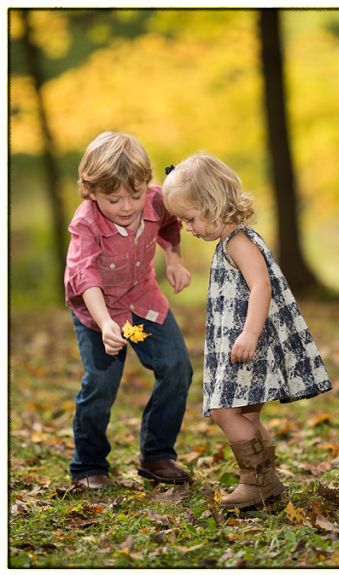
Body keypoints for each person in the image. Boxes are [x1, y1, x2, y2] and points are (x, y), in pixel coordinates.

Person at [162, 153, 332, 508]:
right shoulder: (231, 241)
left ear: (212, 205)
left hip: (250, 343)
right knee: (246, 413)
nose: (188, 228)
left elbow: (261, 286)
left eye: (190, 219)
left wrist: (250, 333)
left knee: (225, 411)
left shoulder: (239, 241)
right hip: (243, 342)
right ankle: (265, 483)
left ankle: (257, 481)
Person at [64, 131, 194, 490]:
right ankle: (89, 466)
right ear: (91, 191)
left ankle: (157, 455)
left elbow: (170, 223)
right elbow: (85, 275)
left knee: (177, 367)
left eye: (134, 195)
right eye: (113, 198)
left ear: (146, 185)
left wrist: (174, 259)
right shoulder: (86, 222)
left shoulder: (155, 202)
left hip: (143, 299)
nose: (126, 206)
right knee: (101, 384)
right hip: (97, 311)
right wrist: (105, 323)